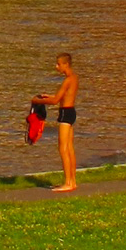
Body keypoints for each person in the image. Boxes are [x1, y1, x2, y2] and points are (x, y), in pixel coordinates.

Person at [44, 51, 81, 194]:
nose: (56, 67)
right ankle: (72, 181)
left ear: (66, 64)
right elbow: (64, 96)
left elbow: (55, 101)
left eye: (58, 64)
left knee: (63, 148)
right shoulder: (74, 78)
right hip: (71, 111)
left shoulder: (67, 80)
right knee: (70, 148)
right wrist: (50, 95)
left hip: (65, 114)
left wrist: (37, 101)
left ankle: (67, 183)